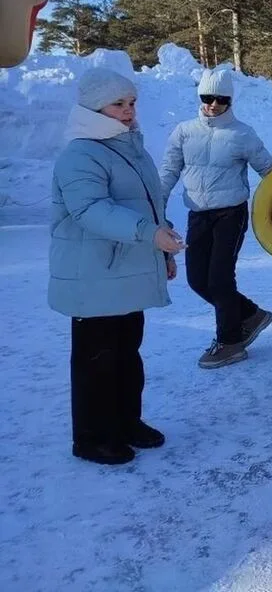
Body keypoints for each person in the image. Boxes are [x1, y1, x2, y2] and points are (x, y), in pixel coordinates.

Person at [49, 67, 185, 465]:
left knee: (127, 353)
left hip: (125, 270)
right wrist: (150, 234)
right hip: (93, 274)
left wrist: (161, 251)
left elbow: (146, 205)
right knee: (96, 361)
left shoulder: (130, 147)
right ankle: (91, 438)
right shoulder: (80, 154)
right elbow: (91, 210)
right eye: (118, 104)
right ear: (94, 109)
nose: (128, 111)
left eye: (131, 103)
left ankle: (126, 422)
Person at [160, 68, 272, 369]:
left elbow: (270, 171)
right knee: (198, 280)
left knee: (220, 279)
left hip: (230, 214)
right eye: (208, 97)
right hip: (198, 214)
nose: (213, 104)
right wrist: (156, 205)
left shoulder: (242, 134)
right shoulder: (184, 132)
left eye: (221, 99)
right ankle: (250, 314)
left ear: (230, 101)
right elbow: (169, 170)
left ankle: (230, 342)